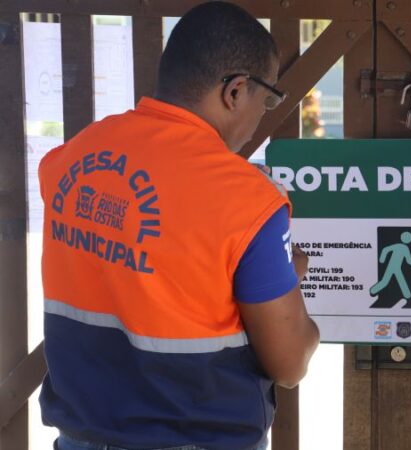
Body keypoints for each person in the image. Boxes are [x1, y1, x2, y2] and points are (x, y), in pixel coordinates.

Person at [37, 3, 319, 449]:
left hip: (80, 437)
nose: (261, 115)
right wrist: (290, 283)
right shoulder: (247, 199)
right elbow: (289, 365)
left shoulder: (73, 157)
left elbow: (144, 270)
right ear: (236, 91)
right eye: (266, 100)